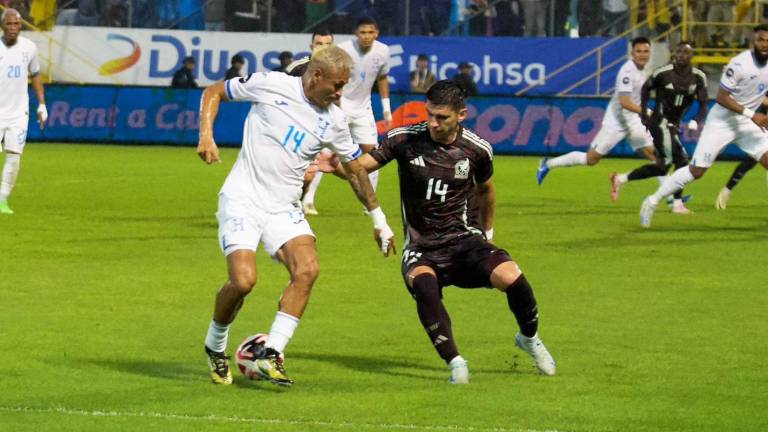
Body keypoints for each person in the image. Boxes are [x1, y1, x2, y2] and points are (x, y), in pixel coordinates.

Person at [196, 46, 396, 387]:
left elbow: (356, 170)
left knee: (308, 270)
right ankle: (216, 347)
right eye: (337, 84)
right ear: (316, 76)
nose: (340, 92)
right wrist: (206, 135)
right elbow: (214, 91)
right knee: (243, 281)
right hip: (243, 198)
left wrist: (380, 220)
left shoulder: (335, 119)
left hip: (283, 207)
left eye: (345, 85)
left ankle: (271, 354)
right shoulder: (271, 85)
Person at [333, 80, 556, 383]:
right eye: (429, 115)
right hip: (421, 247)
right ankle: (456, 363)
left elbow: (486, 190)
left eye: (441, 118)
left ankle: (529, 338)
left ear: (461, 115)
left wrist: (487, 234)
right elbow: (359, 168)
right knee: (423, 285)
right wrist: (334, 166)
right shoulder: (403, 139)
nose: (432, 123)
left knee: (512, 277)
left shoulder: (477, 150)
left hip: (464, 242)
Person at [639, 25, 768, 228]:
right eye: (761, 40)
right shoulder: (740, 64)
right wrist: (752, 114)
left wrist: (754, 114)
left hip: (747, 123)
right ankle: (652, 201)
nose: (764, 44)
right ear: (754, 40)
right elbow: (722, 97)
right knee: (697, 171)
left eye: (767, 41)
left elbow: (760, 92)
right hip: (723, 121)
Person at [301, 17, 392, 216]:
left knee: (374, 153)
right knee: (323, 151)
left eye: (370, 32)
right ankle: (307, 199)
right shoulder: (342, 50)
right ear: (356, 34)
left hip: (363, 109)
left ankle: (369, 204)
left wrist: (387, 110)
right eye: (363, 32)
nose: (367, 36)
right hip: (338, 106)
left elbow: (382, 78)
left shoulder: (383, 51)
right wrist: (336, 109)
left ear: (376, 33)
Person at [536, 37, 655, 185]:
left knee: (656, 157)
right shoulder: (627, 72)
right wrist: (648, 112)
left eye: (646, 51)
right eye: (639, 51)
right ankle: (547, 164)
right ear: (632, 52)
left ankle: (674, 199)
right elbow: (625, 102)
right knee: (591, 159)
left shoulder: (645, 70)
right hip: (616, 121)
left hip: (634, 120)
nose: (643, 54)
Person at [610, 42, 708, 215]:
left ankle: (621, 179)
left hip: (674, 123)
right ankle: (676, 204)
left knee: (663, 166)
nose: (682, 55)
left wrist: (696, 119)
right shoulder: (663, 72)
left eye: (686, 52)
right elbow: (646, 90)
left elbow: (703, 104)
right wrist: (644, 112)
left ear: (692, 55)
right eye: (679, 51)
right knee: (682, 160)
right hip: (659, 121)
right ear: (674, 54)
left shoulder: (699, 76)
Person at [0, 8, 47, 215]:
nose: (13, 28)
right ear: (2, 26)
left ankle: (2, 200)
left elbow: (35, 74)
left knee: (14, 156)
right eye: (9, 24)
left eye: (16, 24)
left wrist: (42, 104)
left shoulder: (29, 48)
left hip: (19, 113)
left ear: (20, 26)